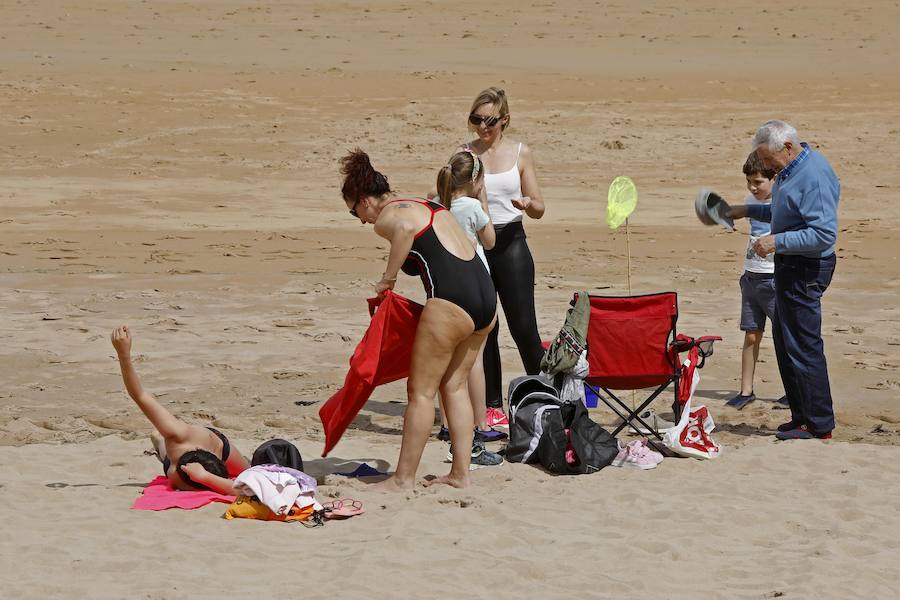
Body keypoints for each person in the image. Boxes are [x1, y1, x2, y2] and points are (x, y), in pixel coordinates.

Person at [339, 149, 500, 490]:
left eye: (355, 212)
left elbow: (404, 234)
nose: (362, 221)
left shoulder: (388, 216)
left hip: (452, 302)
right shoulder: (423, 202)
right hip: (486, 298)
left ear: (365, 200)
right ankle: (460, 474)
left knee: (421, 392)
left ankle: (403, 478)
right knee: (454, 386)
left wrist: (388, 279)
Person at [728, 120, 839, 440]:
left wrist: (777, 242)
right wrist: (744, 211)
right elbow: (786, 211)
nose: (765, 165)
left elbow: (822, 234)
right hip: (790, 267)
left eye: (767, 159)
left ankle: (819, 424)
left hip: (807, 268)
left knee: (804, 346)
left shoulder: (813, 174)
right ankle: (801, 416)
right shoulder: (792, 169)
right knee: (787, 342)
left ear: (788, 147)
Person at [458, 87, 546, 428]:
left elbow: (539, 206)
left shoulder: (520, 154)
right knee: (486, 329)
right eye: (476, 120)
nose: (482, 127)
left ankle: (543, 395)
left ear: (504, 120)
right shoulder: (465, 155)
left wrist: (528, 204)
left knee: (524, 327)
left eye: (489, 121)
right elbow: (448, 192)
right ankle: (492, 405)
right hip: (476, 246)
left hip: (512, 244)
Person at [110, 325, 250, 493]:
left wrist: (207, 477)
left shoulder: (207, 470)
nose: (174, 487)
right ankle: (158, 438)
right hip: (183, 439)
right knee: (162, 438)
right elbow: (139, 395)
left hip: (216, 447)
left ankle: (160, 438)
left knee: (248, 470)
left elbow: (245, 491)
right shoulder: (177, 436)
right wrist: (123, 353)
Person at [434, 150, 507, 445]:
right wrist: (485, 203)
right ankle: (479, 422)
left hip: (445, 286)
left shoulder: (441, 208)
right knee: (473, 359)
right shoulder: (472, 208)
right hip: (475, 283)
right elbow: (490, 241)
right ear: (476, 181)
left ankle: (447, 422)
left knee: (444, 356)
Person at [725, 151, 784, 410]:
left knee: (785, 337)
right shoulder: (750, 200)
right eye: (749, 181)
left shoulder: (782, 204)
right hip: (750, 277)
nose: (752, 187)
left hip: (774, 280)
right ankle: (746, 390)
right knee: (751, 335)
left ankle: (793, 390)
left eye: (758, 182)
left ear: (775, 179)